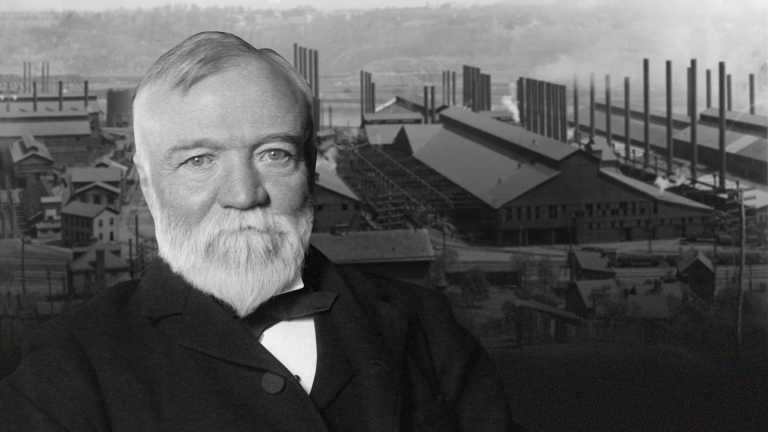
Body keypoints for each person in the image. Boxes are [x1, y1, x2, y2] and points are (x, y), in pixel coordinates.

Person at [0, 32, 520, 431]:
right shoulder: (68, 363)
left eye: (274, 154)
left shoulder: (426, 331)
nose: (245, 194)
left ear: (310, 166)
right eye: (200, 160)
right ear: (147, 181)